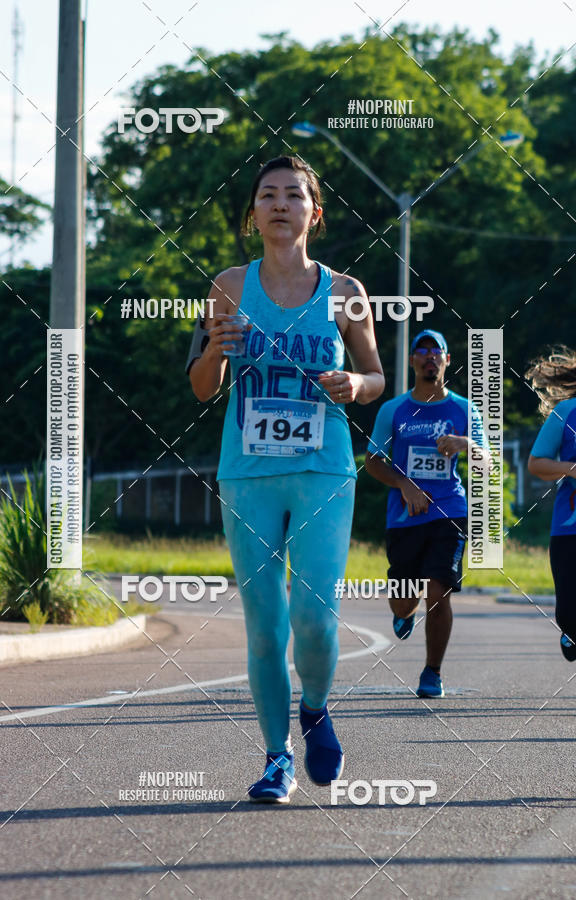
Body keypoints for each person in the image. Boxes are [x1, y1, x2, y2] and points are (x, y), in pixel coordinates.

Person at [188, 156, 384, 802]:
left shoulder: (345, 291)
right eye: (267, 195)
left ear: (314, 214)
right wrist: (218, 346)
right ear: (253, 214)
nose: (280, 204)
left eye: (294, 195)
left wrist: (355, 385)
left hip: (324, 469)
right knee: (266, 625)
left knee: (316, 616)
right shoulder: (225, 286)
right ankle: (277, 757)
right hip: (248, 476)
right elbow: (199, 387)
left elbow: (378, 377)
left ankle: (318, 707)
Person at [365, 329, 487, 698]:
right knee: (404, 598)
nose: (430, 356)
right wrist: (403, 484)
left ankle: (432, 672)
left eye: (438, 351)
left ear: (448, 361)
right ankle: (403, 615)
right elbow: (372, 460)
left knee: (439, 593)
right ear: (413, 360)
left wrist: (468, 443)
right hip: (403, 517)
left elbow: (488, 461)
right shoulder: (394, 409)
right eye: (423, 350)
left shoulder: (465, 409)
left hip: (449, 510)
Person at [526, 347, 576, 662]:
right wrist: (571, 469)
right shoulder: (566, 412)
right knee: (570, 614)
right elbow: (536, 463)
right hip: (569, 529)